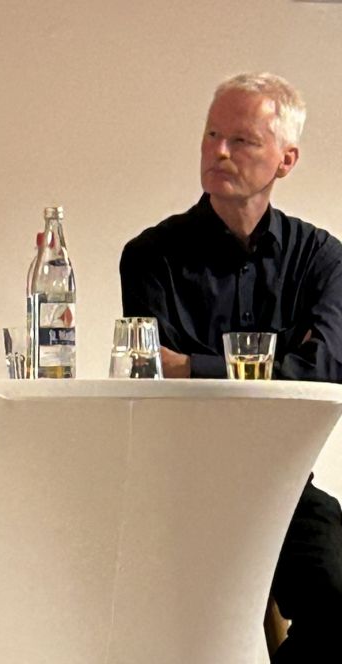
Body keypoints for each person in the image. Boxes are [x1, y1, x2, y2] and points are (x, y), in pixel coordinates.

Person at [120, 72, 342, 662]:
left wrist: (196, 364)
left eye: (241, 140)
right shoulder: (151, 257)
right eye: (212, 134)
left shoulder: (321, 259)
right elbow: (155, 376)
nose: (219, 151)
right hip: (178, 490)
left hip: (282, 483)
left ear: (285, 160)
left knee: (338, 600)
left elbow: (323, 370)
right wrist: (280, 357)